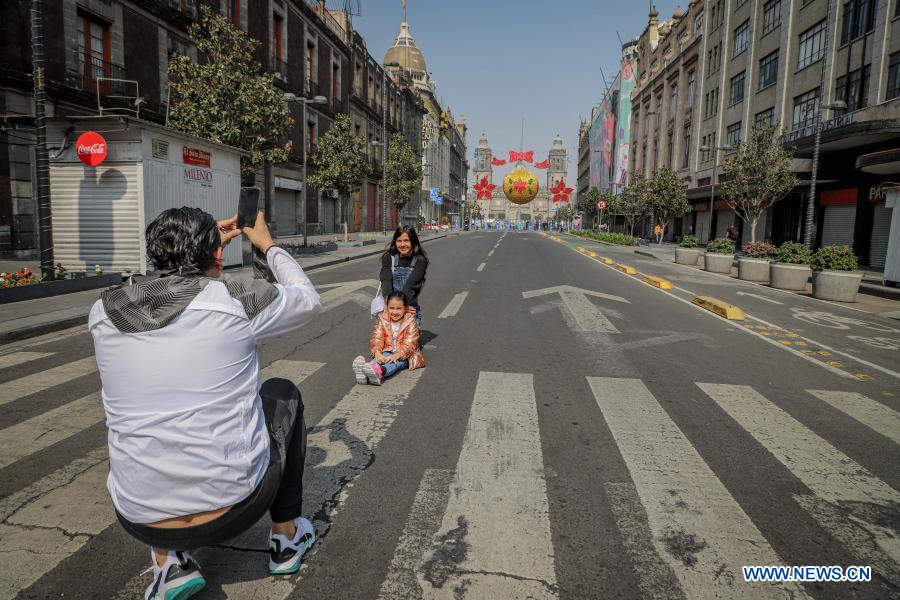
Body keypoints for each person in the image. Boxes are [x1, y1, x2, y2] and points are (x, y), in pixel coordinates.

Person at [89, 208, 322, 600]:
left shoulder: (103, 311)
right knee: (283, 393)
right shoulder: (232, 300)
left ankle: (169, 565)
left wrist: (202, 248)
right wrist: (267, 245)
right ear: (215, 256)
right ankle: (285, 538)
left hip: (140, 519)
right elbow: (307, 300)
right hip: (235, 506)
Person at [352, 291, 425, 385]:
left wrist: (397, 355)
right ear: (386, 307)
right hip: (388, 350)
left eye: (399, 308)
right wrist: (377, 353)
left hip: (406, 354)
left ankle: (380, 371)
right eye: (391, 308)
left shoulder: (411, 320)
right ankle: (365, 372)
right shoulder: (382, 318)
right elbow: (377, 337)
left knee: (395, 362)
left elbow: (411, 343)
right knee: (379, 359)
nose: (395, 312)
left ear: (405, 308)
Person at [379, 226, 428, 327]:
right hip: (390, 310)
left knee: (408, 342)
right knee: (383, 342)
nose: (402, 244)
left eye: (406, 240)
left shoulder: (420, 261)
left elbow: (411, 286)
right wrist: (391, 306)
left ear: (413, 242)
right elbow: (386, 280)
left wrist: (403, 307)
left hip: (409, 311)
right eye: (399, 241)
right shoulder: (388, 258)